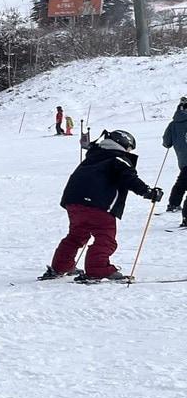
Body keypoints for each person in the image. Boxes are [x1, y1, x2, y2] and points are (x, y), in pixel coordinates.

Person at [43, 129, 161, 282]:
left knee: (76, 235)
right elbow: (129, 178)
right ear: (123, 143)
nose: (129, 151)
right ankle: (98, 270)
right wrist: (148, 192)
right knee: (105, 237)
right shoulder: (118, 158)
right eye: (129, 148)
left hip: (73, 202)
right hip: (98, 204)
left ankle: (60, 266)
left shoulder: (94, 156)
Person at [163, 95, 187, 214]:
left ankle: (173, 204)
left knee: (182, 182)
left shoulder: (173, 124)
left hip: (183, 160)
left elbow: (167, 143)